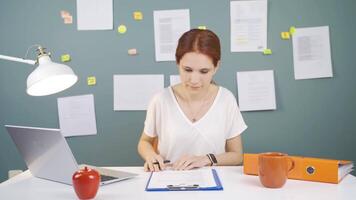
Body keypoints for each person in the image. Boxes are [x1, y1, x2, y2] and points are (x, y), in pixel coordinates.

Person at [137, 29, 247, 172]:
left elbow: (237, 155)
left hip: (214, 185)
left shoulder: (226, 100)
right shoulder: (161, 100)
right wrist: (151, 155)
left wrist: (206, 159)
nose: (194, 80)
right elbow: (144, 142)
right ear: (178, 63)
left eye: (204, 71)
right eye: (187, 70)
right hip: (168, 181)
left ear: (216, 67)